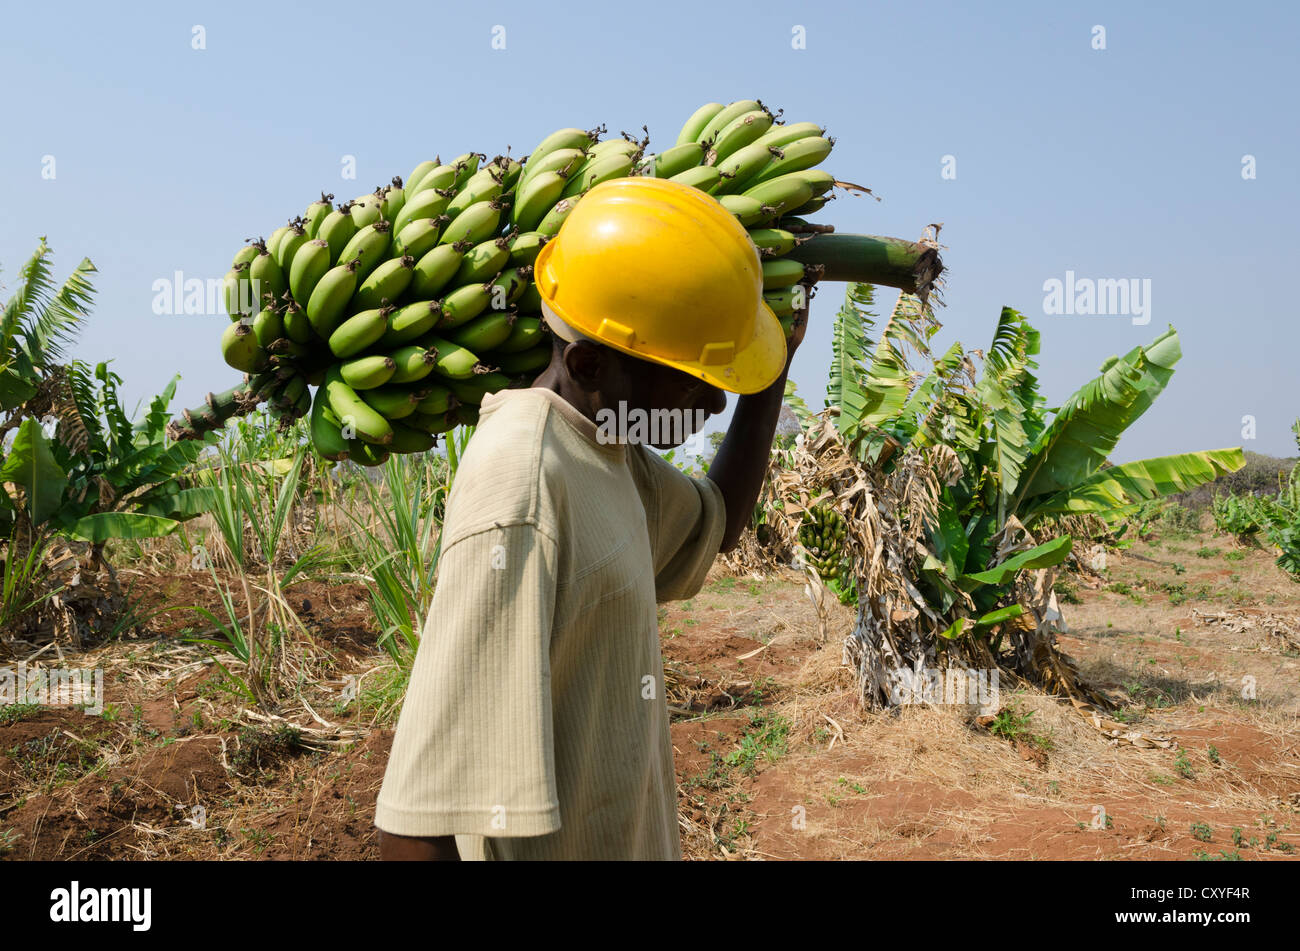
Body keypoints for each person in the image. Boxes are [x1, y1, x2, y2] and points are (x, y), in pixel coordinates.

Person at [373, 177, 807, 860]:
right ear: (587, 361)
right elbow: (416, 824)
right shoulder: (522, 485)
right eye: (693, 376)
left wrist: (770, 373)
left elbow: (716, 523)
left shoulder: (609, 449)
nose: (715, 401)